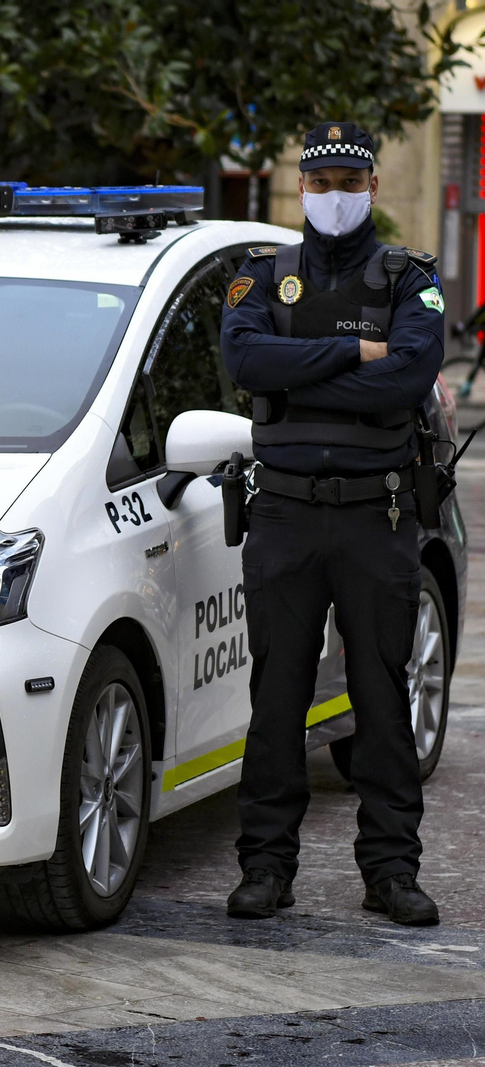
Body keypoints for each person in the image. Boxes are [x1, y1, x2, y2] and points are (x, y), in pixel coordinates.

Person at [220, 121, 444, 926]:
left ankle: (391, 870)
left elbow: (409, 380)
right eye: (322, 184)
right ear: (303, 187)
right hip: (281, 512)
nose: (337, 197)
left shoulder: (410, 277)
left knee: (381, 698)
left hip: (374, 514)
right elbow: (246, 366)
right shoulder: (259, 276)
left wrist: (299, 376)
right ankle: (266, 868)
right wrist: (356, 355)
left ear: (373, 188)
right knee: (276, 696)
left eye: (352, 183)